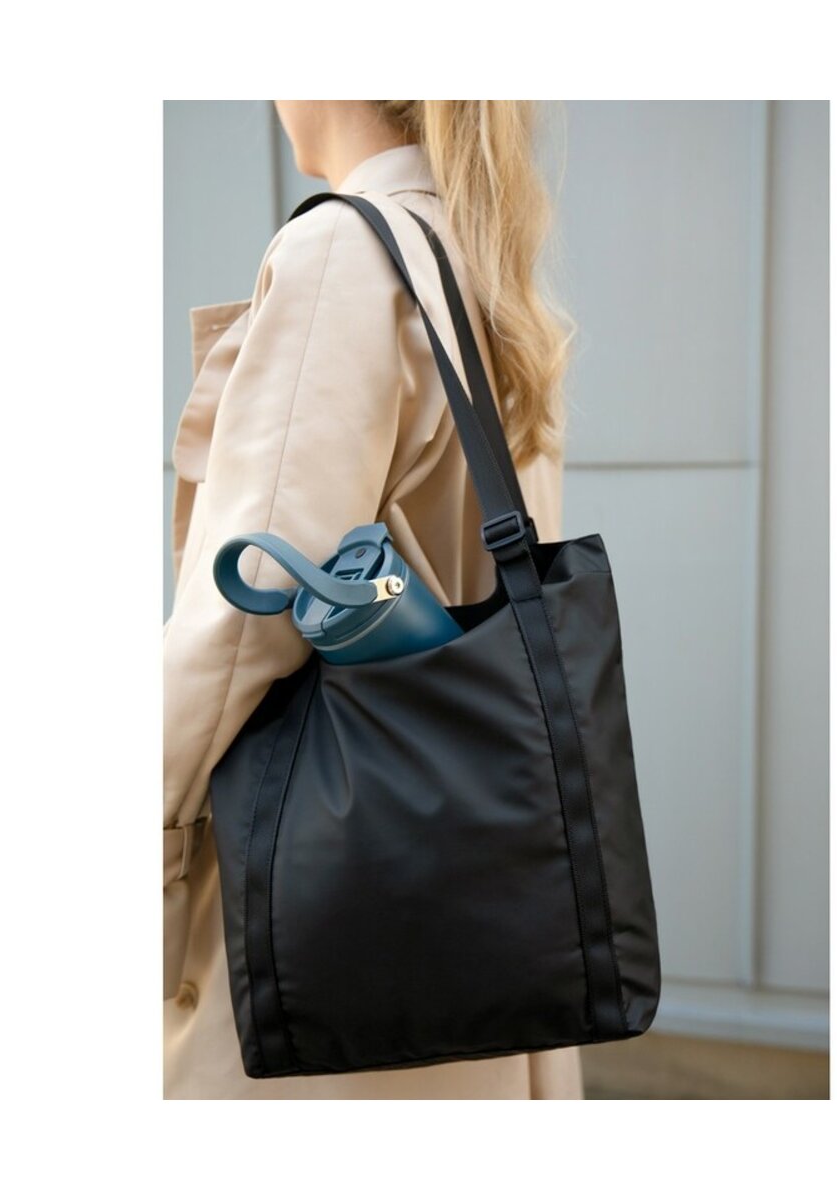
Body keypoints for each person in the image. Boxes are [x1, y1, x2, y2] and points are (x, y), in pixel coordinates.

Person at [162, 100, 585, 1099]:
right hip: (478, 897)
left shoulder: (345, 257)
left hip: (329, 912)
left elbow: (245, 621)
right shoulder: (475, 257)